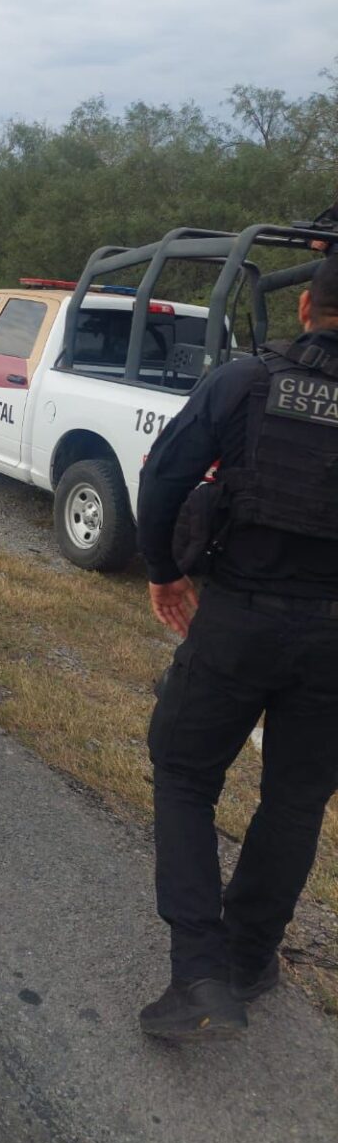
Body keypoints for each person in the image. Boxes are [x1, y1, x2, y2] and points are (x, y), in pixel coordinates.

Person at [136, 255, 338, 1040]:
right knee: (296, 798)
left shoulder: (247, 381)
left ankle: (200, 973)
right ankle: (250, 959)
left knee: (185, 771)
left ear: (305, 310)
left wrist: (162, 570)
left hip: (240, 618)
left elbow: (165, 476)